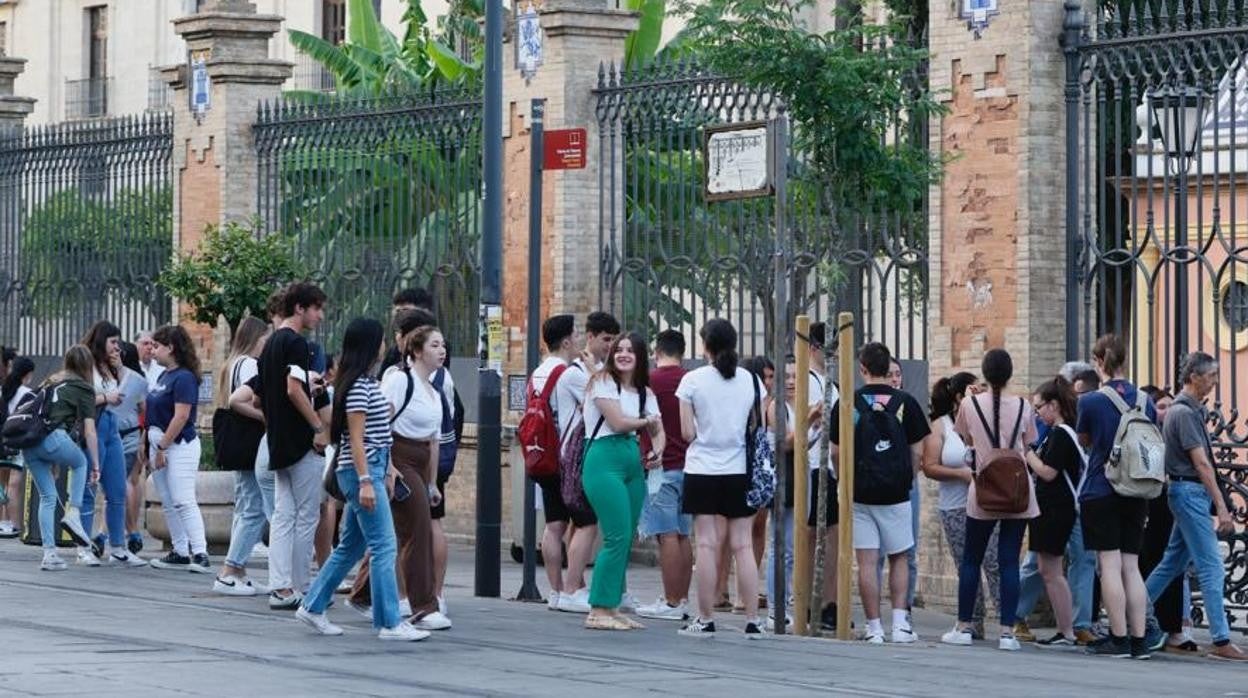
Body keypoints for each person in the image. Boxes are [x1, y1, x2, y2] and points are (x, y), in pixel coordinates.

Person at [295, 318, 429, 642]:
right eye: (382, 339)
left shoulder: (365, 382)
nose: (385, 345)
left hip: (369, 467)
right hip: (360, 472)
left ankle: (312, 606)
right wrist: (368, 480)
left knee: (351, 547)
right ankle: (388, 622)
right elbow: (356, 440)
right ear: (371, 344)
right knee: (385, 545)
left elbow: (375, 436)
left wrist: (387, 469)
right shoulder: (357, 386)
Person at [349, 319, 453, 632]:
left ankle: (362, 593)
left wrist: (433, 482)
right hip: (398, 458)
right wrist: (386, 467)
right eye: (434, 345)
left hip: (420, 462)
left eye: (443, 345)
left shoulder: (436, 392)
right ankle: (424, 605)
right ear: (417, 351)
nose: (441, 351)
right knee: (417, 529)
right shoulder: (399, 381)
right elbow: (380, 425)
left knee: (390, 532)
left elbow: (434, 442)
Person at [1144, 352, 1248, 661]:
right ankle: (1221, 639)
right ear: (1193, 377)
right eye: (1212, 376)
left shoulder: (1188, 411)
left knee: (1171, 564)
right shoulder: (1185, 414)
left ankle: (1131, 612)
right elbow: (1201, 463)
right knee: (1212, 565)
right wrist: (1223, 506)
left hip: (1186, 493)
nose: (1215, 382)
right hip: (1190, 493)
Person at [831, 342, 929, 644]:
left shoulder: (848, 403)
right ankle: (900, 625)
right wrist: (905, 479)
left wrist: (845, 480)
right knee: (900, 556)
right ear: (888, 368)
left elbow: (835, 452)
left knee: (868, 561)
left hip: (860, 493)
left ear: (862, 369)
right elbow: (918, 451)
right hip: (896, 493)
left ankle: (874, 628)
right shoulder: (906, 402)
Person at [941, 349, 1037, 651]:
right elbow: (1027, 442)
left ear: (984, 372)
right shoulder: (1024, 405)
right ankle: (1008, 632)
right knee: (1010, 560)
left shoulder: (969, 405)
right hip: (1018, 490)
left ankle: (964, 625)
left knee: (972, 558)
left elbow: (967, 439)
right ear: (1010, 374)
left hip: (984, 488)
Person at [677, 319, 766, 639]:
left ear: (705, 346)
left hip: (702, 469)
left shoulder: (692, 381)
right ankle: (754, 620)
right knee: (743, 545)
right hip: (739, 469)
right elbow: (756, 424)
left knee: (706, 544)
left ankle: (705, 618)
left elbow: (687, 432)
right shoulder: (752, 380)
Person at [1076, 334, 1154, 659]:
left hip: (1102, 487)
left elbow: (1084, 439)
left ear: (1098, 362)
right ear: (1125, 359)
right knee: (1131, 566)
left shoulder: (1090, 401)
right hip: (1137, 487)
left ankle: (1118, 638)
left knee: (1109, 564)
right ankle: (1139, 640)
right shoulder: (1145, 400)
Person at [582, 332, 665, 630]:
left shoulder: (645, 392)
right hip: (603, 460)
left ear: (640, 356)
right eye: (619, 349)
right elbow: (617, 422)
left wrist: (659, 450)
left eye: (630, 350)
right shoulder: (603, 382)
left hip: (631, 461)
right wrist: (646, 423)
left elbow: (659, 429)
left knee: (626, 536)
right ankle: (598, 609)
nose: (624, 354)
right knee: (616, 535)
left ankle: (612, 605)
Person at [260, 282, 330, 610]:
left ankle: (280, 585)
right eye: (315, 308)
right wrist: (317, 426)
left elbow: (271, 390)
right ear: (299, 308)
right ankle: (302, 586)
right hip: (300, 440)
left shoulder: (272, 342)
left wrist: (308, 384)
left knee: (284, 514)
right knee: (306, 516)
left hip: (277, 438)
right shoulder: (298, 344)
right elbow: (292, 389)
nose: (319, 315)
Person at [922, 372, 999, 641]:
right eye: (973, 390)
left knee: (994, 561)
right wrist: (961, 475)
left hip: (987, 503)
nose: (979, 395)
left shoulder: (985, 422)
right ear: (958, 397)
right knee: (967, 563)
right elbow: (929, 466)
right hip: (955, 506)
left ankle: (1008, 620)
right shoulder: (940, 426)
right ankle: (972, 620)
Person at [553, 311, 620, 614]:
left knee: (580, 523)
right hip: (578, 455)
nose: (610, 346)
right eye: (606, 339)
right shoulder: (576, 373)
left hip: (590, 454)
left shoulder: (597, 370)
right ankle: (569, 590)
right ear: (590, 337)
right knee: (587, 523)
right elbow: (606, 403)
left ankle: (576, 584)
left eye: (614, 340)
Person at [22, 346, 99, 570]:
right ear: (87, 366)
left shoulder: (50, 380)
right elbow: (90, 431)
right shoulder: (84, 388)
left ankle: (49, 555)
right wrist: (95, 463)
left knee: (47, 497)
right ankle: (73, 512)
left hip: (30, 444)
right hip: (54, 438)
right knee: (81, 462)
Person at [636, 330, 694, 622]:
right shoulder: (691, 380)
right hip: (691, 466)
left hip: (660, 467)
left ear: (656, 352)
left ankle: (671, 603)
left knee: (666, 534)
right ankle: (681, 599)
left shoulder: (650, 382)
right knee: (683, 535)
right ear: (682, 352)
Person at [1021, 376, 1083, 646]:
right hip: (1049, 507)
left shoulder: (1061, 434)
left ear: (1054, 405)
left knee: (1053, 571)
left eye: (1039, 407)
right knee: (1048, 570)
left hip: (1055, 509)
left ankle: (1066, 630)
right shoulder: (1057, 433)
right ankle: (1065, 629)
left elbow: (1048, 472)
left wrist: (1027, 453)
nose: (1036, 413)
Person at [213, 317, 272, 596]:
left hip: (236, 443)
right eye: (265, 338)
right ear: (255, 338)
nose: (267, 343)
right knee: (253, 509)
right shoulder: (249, 364)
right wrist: (265, 417)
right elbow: (242, 401)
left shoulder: (231, 363)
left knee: (245, 506)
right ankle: (229, 570)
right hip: (249, 441)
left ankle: (239, 572)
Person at [145, 325, 210, 574]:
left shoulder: (183, 377)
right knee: (169, 501)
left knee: (183, 499)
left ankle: (200, 551)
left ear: (171, 348)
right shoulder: (164, 376)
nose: (152, 350)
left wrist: (162, 446)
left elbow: (181, 416)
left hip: (178, 445)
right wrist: (149, 444)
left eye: (157, 346)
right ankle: (180, 550)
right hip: (158, 444)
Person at [81, 321, 145, 567]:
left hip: (112, 426)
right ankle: (83, 546)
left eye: (119, 342)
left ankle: (118, 546)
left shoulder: (111, 368)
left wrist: (120, 370)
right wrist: (106, 397)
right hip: (92, 428)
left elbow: (137, 389)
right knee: (88, 489)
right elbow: (80, 396)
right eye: (113, 342)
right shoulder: (87, 364)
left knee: (117, 489)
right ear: (101, 341)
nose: (117, 347)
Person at [529, 314, 582, 609]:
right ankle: (571, 589)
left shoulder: (538, 372)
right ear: (565, 341)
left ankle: (555, 589)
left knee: (552, 525)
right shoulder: (566, 372)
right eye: (575, 336)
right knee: (582, 522)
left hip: (540, 452)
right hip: (564, 454)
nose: (577, 341)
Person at [1137, 384, 1185, 652]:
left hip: (1169, 503)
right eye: (1161, 406)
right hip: (1150, 502)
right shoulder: (1145, 434)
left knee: (1171, 564)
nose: (1167, 411)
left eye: (1169, 405)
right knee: (1151, 559)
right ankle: (1147, 622)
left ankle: (1173, 627)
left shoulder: (1175, 433)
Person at [878, 356, 918, 614]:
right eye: (890, 373)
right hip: (877, 485)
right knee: (877, 553)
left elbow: (919, 450)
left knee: (908, 551)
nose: (895, 378)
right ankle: (878, 612)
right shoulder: (871, 406)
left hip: (906, 485)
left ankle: (906, 607)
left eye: (898, 374)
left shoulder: (909, 406)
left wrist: (910, 477)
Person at [117, 343, 149, 554]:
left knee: (122, 484)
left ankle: (126, 529)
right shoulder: (140, 380)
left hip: (123, 434)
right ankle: (132, 528)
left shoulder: (117, 380)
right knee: (134, 481)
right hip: (136, 433)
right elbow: (145, 410)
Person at [0, 356, 35, 538]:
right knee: (14, 484)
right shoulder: (28, 394)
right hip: (17, 443)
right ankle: (14, 525)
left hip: (1, 442)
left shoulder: (2, 390)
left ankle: (2, 522)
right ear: (28, 374)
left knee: (2, 483)